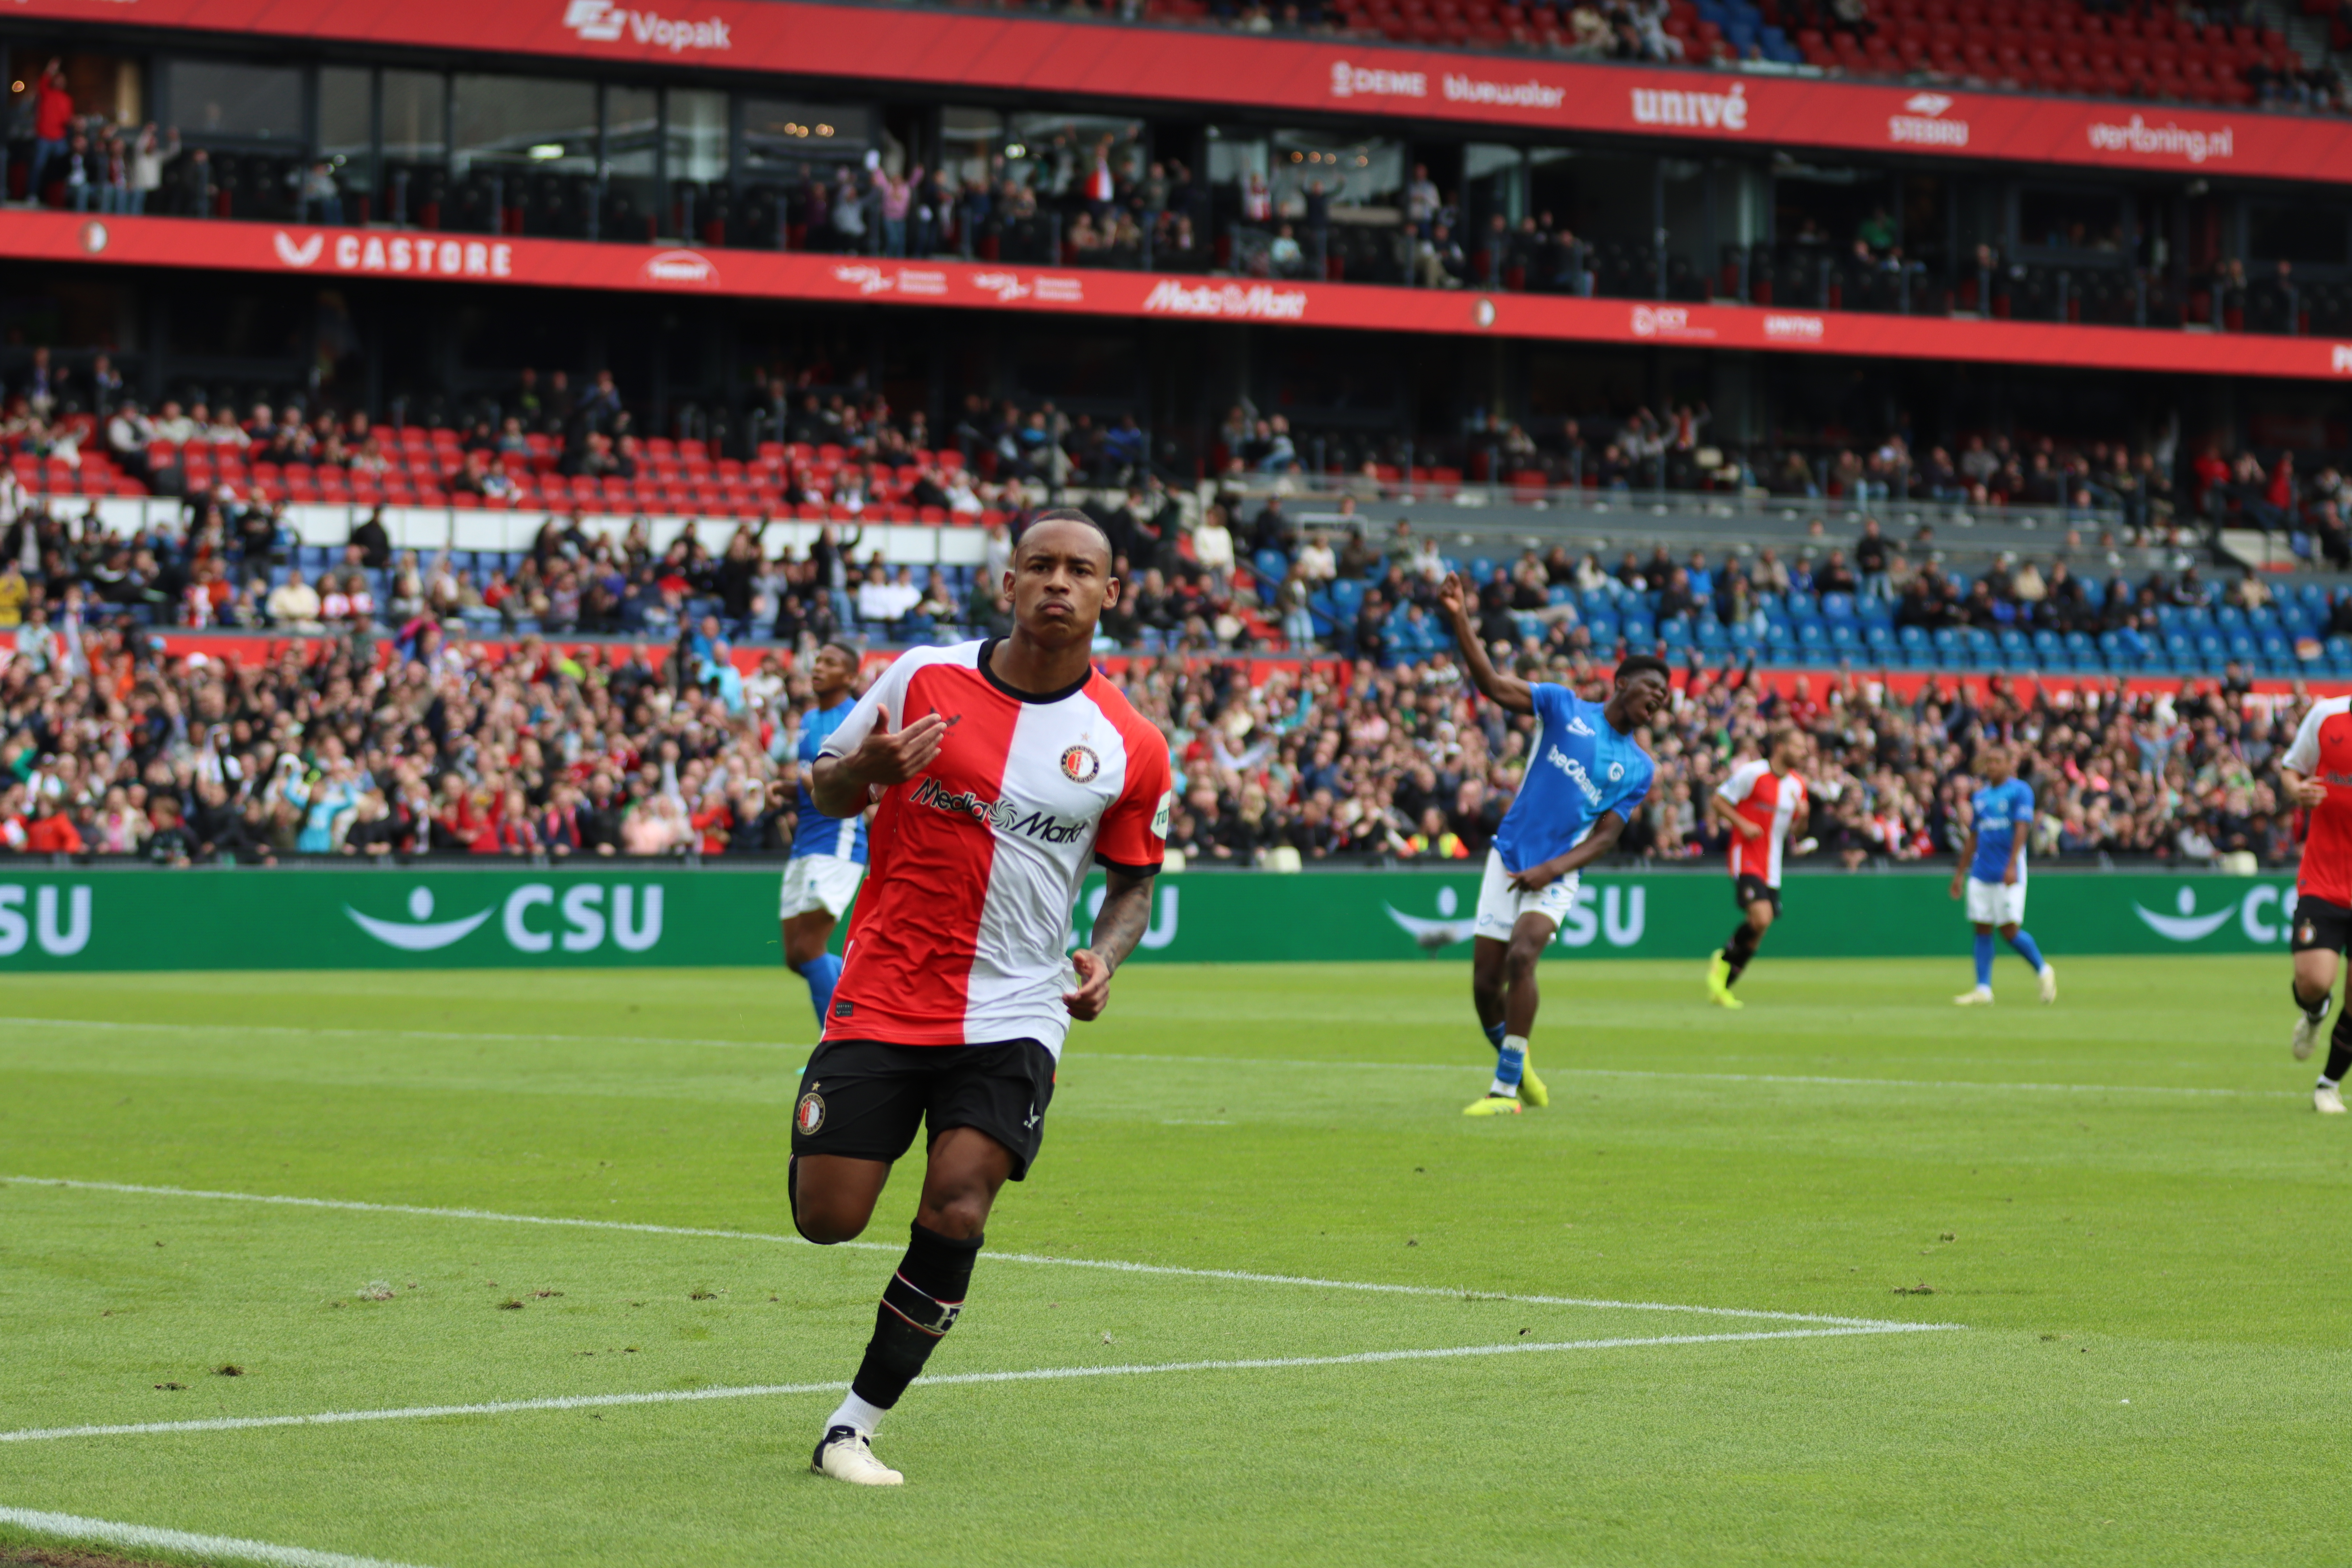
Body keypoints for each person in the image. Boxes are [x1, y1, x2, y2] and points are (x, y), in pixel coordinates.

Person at [791, 510, 1174, 1487]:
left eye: (1079, 571)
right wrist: (866, 772)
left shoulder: (1130, 741)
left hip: (1016, 1008)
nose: (1058, 583)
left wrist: (1107, 955)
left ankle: (853, 1426)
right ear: (1008, 581)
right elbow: (824, 787)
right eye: (1039, 566)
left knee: (958, 1207)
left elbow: (1134, 882)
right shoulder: (921, 675)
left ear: (1108, 594)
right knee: (827, 1217)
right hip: (883, 991)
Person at [1437, 571, 1668, 1117]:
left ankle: (1504, 1091)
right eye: (1651, 688)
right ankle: (1524, 1069)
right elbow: (1493, 684)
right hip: (1509, 854)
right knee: (1483, 985)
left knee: (1523, 956)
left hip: (1558, 872)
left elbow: (1608, 837)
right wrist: (1459, 618)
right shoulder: (1563, 708)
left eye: (1665, 697)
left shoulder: (1639, 767)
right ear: (1620, 684)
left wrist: (1553, 870)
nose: (1658, 700)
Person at [777, 641, 871, 1028]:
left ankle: (834, 1046)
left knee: (810, 946)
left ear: (850, 677)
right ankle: (863, 988)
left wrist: (801, 781)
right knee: (796, 956)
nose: (818, 668)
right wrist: (785, 789)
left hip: (838, 842)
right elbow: (812, 783)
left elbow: (855, 783)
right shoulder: (811, 720)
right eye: (818, 660)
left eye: (830, 663)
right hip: (805, 844)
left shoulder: (855, 718)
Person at [2279, 693, 2352, 1111]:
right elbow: (2291, 769)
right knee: (2314, 981)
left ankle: (2328, 1085)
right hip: (2324, 879)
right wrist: (2297, 790)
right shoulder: (2327, 715)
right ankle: (2314, 1012)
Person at [1704, 727, 1810, 1010]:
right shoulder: (1753, 773)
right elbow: (1718, 800)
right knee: (1761, 918)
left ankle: (1724, 988)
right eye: (1799, 746)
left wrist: (1803, 818)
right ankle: (1722, 960)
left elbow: (1796, 831)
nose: (1804, 753)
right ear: (1781, 747)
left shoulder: (1798, 785)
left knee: (1759, 929)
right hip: (1746, 855)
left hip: (1773, 864)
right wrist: (1743, 824)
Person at [1948, 743, 2056, 1006]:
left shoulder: (2020, 791)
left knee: (2008, 929)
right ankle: (1983, 989)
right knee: (1982, 925)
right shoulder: (1981, 796)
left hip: (2007, 868)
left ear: (2011, 764)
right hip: (1982, 869)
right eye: (1989, 761)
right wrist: (1960, 873)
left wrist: (2011, 866)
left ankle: (2043, 970)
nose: (1991, 766)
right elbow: (1975, 835)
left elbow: (2022, 829)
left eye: (1997, 761)